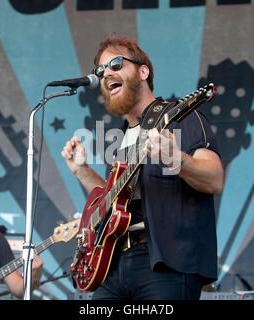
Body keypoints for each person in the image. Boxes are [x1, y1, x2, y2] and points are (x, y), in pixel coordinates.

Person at [61, 35, 224, 300]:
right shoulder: (120, 137)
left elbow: (214, 179)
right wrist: (81, 170)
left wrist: (175, 159)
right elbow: (113, 201)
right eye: (100, 71)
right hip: (112, 264)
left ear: (143, 71)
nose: (106, 74)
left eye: (115, 64)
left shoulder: (180, 117)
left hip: (165, 264)